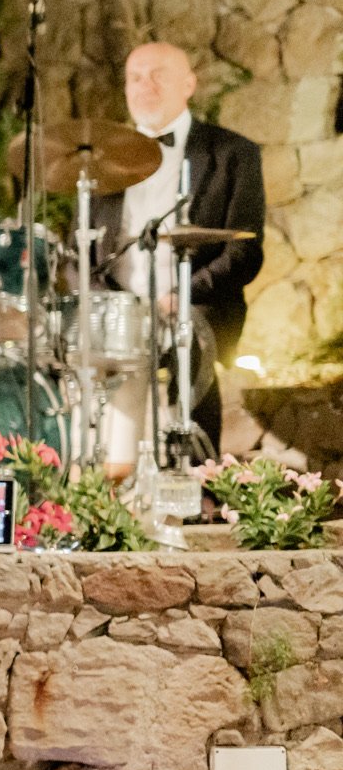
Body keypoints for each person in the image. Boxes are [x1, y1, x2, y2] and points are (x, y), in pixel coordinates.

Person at [90, 42, 266, 467]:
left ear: (189, 84)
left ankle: (198, 480)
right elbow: (92, 250)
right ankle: (110, 475)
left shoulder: (232, 153)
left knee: (193, 339)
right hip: (123, 307)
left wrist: (182, 295)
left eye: (158, 75)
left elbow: (245, 252)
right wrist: (111, 302)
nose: (144, 86)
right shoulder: (104, 159)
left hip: (197, 302)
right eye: (135, 77)